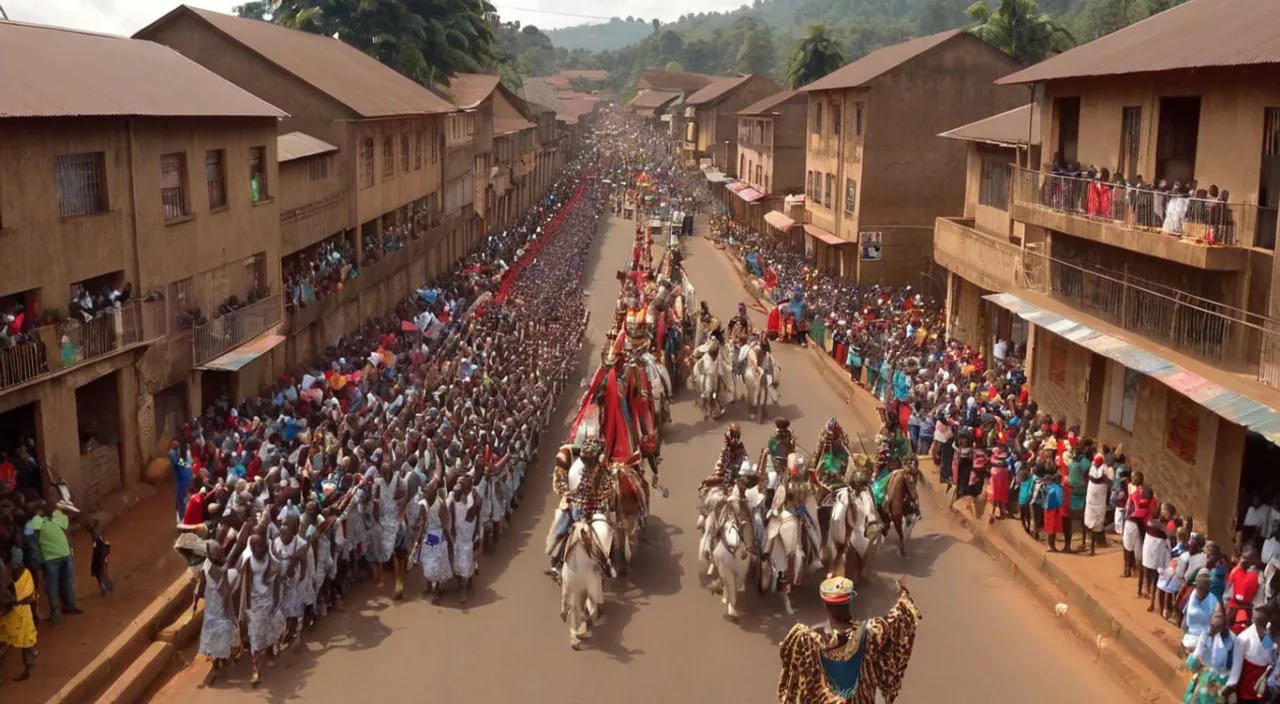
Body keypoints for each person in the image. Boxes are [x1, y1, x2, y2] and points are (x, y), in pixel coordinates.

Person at [777, 575, 922, 704]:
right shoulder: (870, 633)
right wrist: (902, 593)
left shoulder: (807, 639)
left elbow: (796, 682)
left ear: (825, 605)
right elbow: (901, 617)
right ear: (849, 602)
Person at [29, 501, 80, 623]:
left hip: (64, 554)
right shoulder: (36, 521)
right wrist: (40, 559)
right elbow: (33, 542)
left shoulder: (57, 516)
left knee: (66, 582)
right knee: (54, 585)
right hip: (51, 558)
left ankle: (70, 606)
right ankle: (56, 611)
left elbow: (67, 528)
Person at [1225, 604, 1280, 702]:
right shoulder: (1244, 638)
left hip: (1263, 690)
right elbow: (1236, 670)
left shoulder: (1273, 637)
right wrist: (1230, 688)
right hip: (1244, 691)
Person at [1184, 602, 1234, 704]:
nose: (1216, 618)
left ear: (1224, 618)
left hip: (1220, 679)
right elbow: (1197, 654)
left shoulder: (1232, 639)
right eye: (1214, 615)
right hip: (1206, 675)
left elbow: (1233, 666)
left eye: (1219, 616)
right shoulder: (1205, 633)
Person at [0, 553, 38, 682]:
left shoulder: (6, 573)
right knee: (26, 639)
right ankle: (30, 661)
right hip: (24, 610)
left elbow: (4, 593)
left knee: (5, 641)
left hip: (12, 612)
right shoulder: (25, 572)